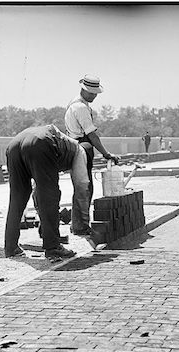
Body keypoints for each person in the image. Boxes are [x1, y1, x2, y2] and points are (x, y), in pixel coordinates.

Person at [4, 124, 87, 259]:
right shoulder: (80, 151)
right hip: (40, 143)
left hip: (14, 144)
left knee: (17, 198)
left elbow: (38, 191)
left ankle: (11, 247)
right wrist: (82, 220)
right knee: (50, 196)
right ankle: (53, 247)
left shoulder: (61, 140)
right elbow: (81, 186)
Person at [64, 74, 119, 236]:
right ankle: (80, 226)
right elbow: (92, 135)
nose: (95, 96)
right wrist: (106, 153)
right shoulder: (80, 108)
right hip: (81, 146)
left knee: (82, 187)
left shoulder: (76, 103)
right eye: (92, 93)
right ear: (84, 90)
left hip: (77, 145)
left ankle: (78, 223)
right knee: (84, 188)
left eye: (96, 93)